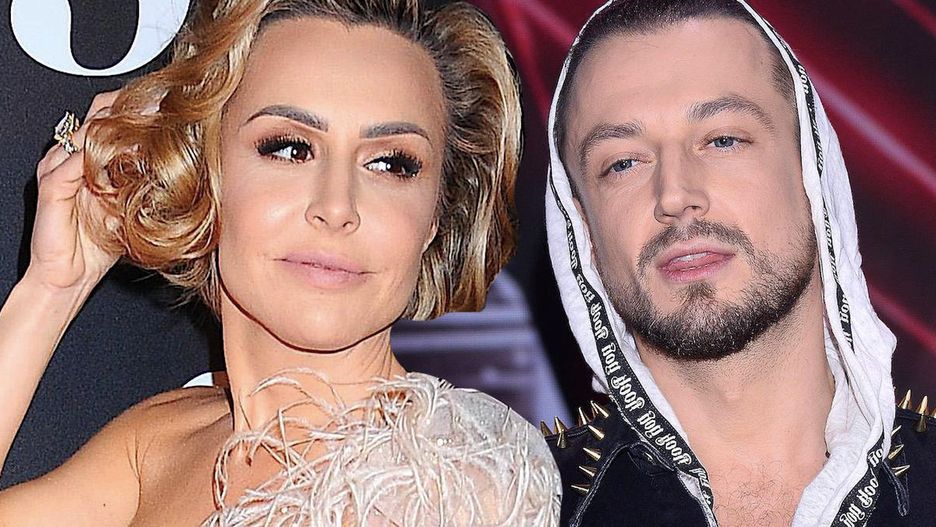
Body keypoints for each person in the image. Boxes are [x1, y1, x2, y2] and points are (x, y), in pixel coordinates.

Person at [0, 0, 561, 525]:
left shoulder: (460, 478)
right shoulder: (162, 441)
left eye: (391, 164)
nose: (337, 208)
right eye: (289, 149)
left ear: (435, 215)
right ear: (203, 172)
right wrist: (53, 288)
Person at [541, 0, 935, 525]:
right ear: (582, 229)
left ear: (814, 175)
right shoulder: (509, 506)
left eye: (723, 140)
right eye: (623, 163)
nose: (674, 194)